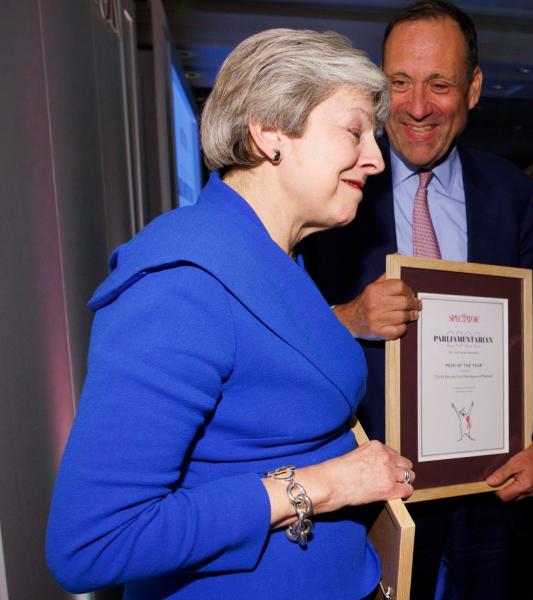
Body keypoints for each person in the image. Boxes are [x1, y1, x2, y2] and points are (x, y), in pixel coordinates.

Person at [46, 29, 416, 599]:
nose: (375, 157)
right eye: (353, 131)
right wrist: (325, 485)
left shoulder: (274, 253)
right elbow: (93, 542)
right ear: (271, 134)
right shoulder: (182, 283)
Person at [300, 2, 533, 598]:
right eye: (399, 83)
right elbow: (274, 330)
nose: (417, 107)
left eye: (439, 84)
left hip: (489, 486)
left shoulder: (510, 193)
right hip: (367, 486)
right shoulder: (333, 190)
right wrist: (347, 318)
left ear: (472, 88)